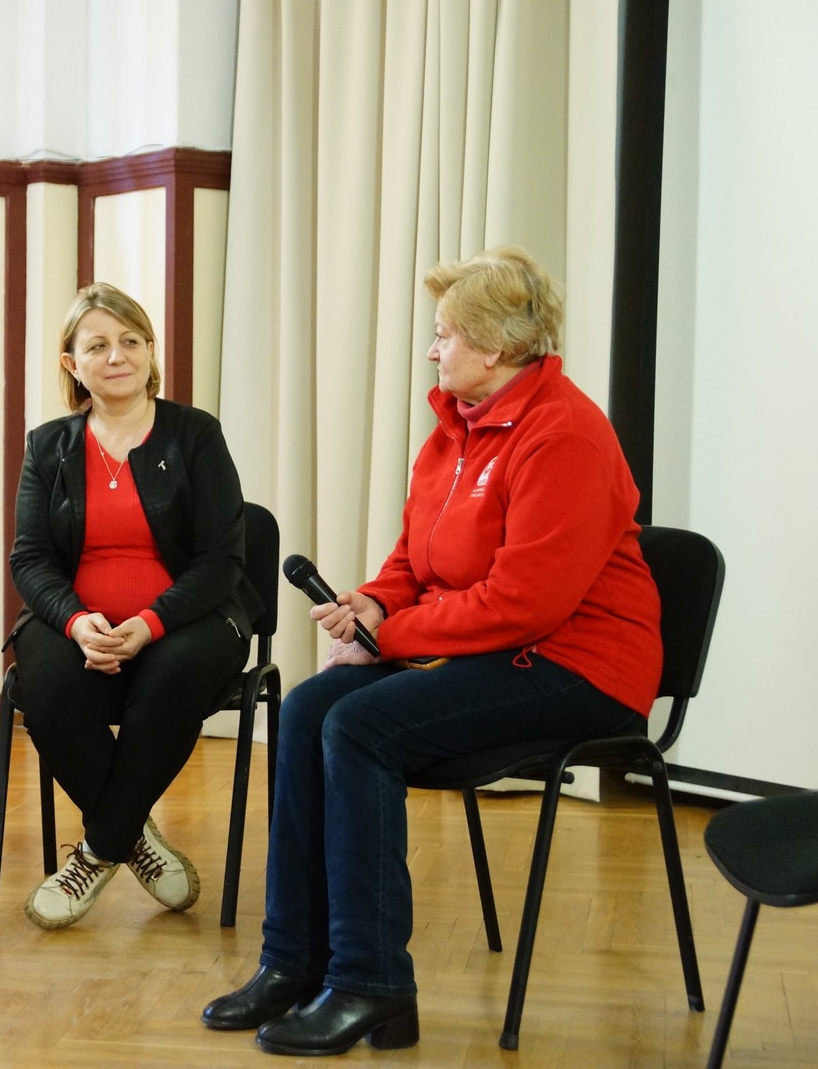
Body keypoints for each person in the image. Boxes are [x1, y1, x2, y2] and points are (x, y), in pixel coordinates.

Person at [202, 246, 663, 1055]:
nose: (430, 350)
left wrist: (388, 638)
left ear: (494, 347)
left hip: (581, 667)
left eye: (444, 335)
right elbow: (416, 559)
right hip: (497, 652)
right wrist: (375, 603)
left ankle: (371, 982)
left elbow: (525, 605)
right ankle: (293, 963)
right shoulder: (455, 429)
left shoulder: (565, 435)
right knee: (307, 708)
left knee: (361, 727)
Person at [7, 283, 262, 930]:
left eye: (130, 340)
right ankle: (134, 838)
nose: (116, 356)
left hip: (192, 620)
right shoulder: (48, 446)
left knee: (172, 673)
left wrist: (148, 625)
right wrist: (76, 622)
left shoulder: (195, 435)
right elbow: (30, 559)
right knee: (45, 682)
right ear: (72, 364)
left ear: (150, 351)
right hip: (80, 622)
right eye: (97, 346)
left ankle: (97, 851)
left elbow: (220, 560)